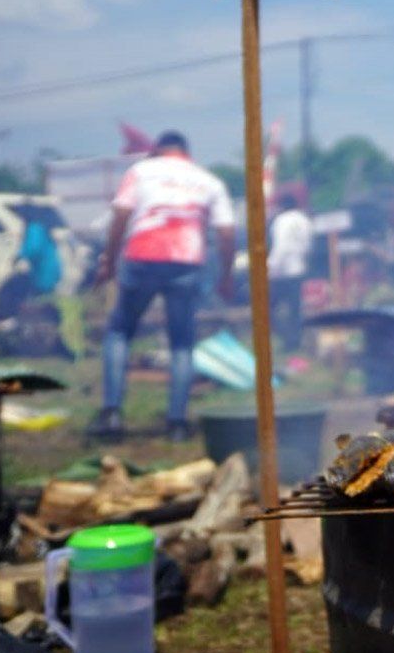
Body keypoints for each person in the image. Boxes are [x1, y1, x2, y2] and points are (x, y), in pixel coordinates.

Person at [90, 131, 235, 443]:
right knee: (181, 342)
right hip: (186, 260)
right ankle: (177, 423)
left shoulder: (141, 171)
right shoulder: (208, 180)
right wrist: (226, 276)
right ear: (186, 152)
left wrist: (109, 263)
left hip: (141, 258)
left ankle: (112, 412)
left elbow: (120, 217)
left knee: (119, 330)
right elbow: (226, 232)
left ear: (157, 150)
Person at [268, 191, 313, 352]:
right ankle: (294, 340)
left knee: (269, 307)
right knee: (295, 309)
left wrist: (272, 268)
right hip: (298, 268)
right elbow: (308, 245)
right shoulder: (304, 220)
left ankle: (285, 338)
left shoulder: (281, 221)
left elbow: (281, 247)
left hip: (282, 271)